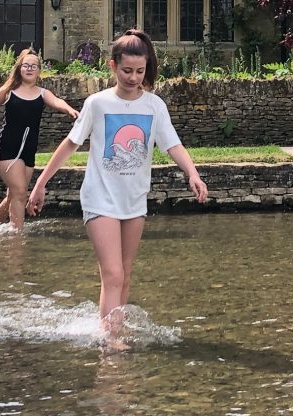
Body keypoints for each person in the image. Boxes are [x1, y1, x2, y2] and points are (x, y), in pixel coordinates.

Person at [26, 29, 208, 347]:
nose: (133, 78)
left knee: (123, 273)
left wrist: (193, 173)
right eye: (126, 70)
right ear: (112, 66)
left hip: (134, 200)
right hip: (99, 198)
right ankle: (111, 343)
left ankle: (113, 328)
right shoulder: (98, 104)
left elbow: (173, 145)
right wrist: (40, 184)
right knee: (112, 274)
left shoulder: (154, 106)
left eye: (140, 71)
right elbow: (70, 144)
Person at [0, 48, 78, 230]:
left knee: (14, 194)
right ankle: (16, 235)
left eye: (33, 66)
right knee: (20, 192)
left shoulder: (43, 93)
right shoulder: (8, 91)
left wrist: (69, 109)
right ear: (20, 68)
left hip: (28, 150)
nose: (29, 69)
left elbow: (57, 101)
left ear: (39, 70)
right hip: (7, 147)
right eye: (26, 65)